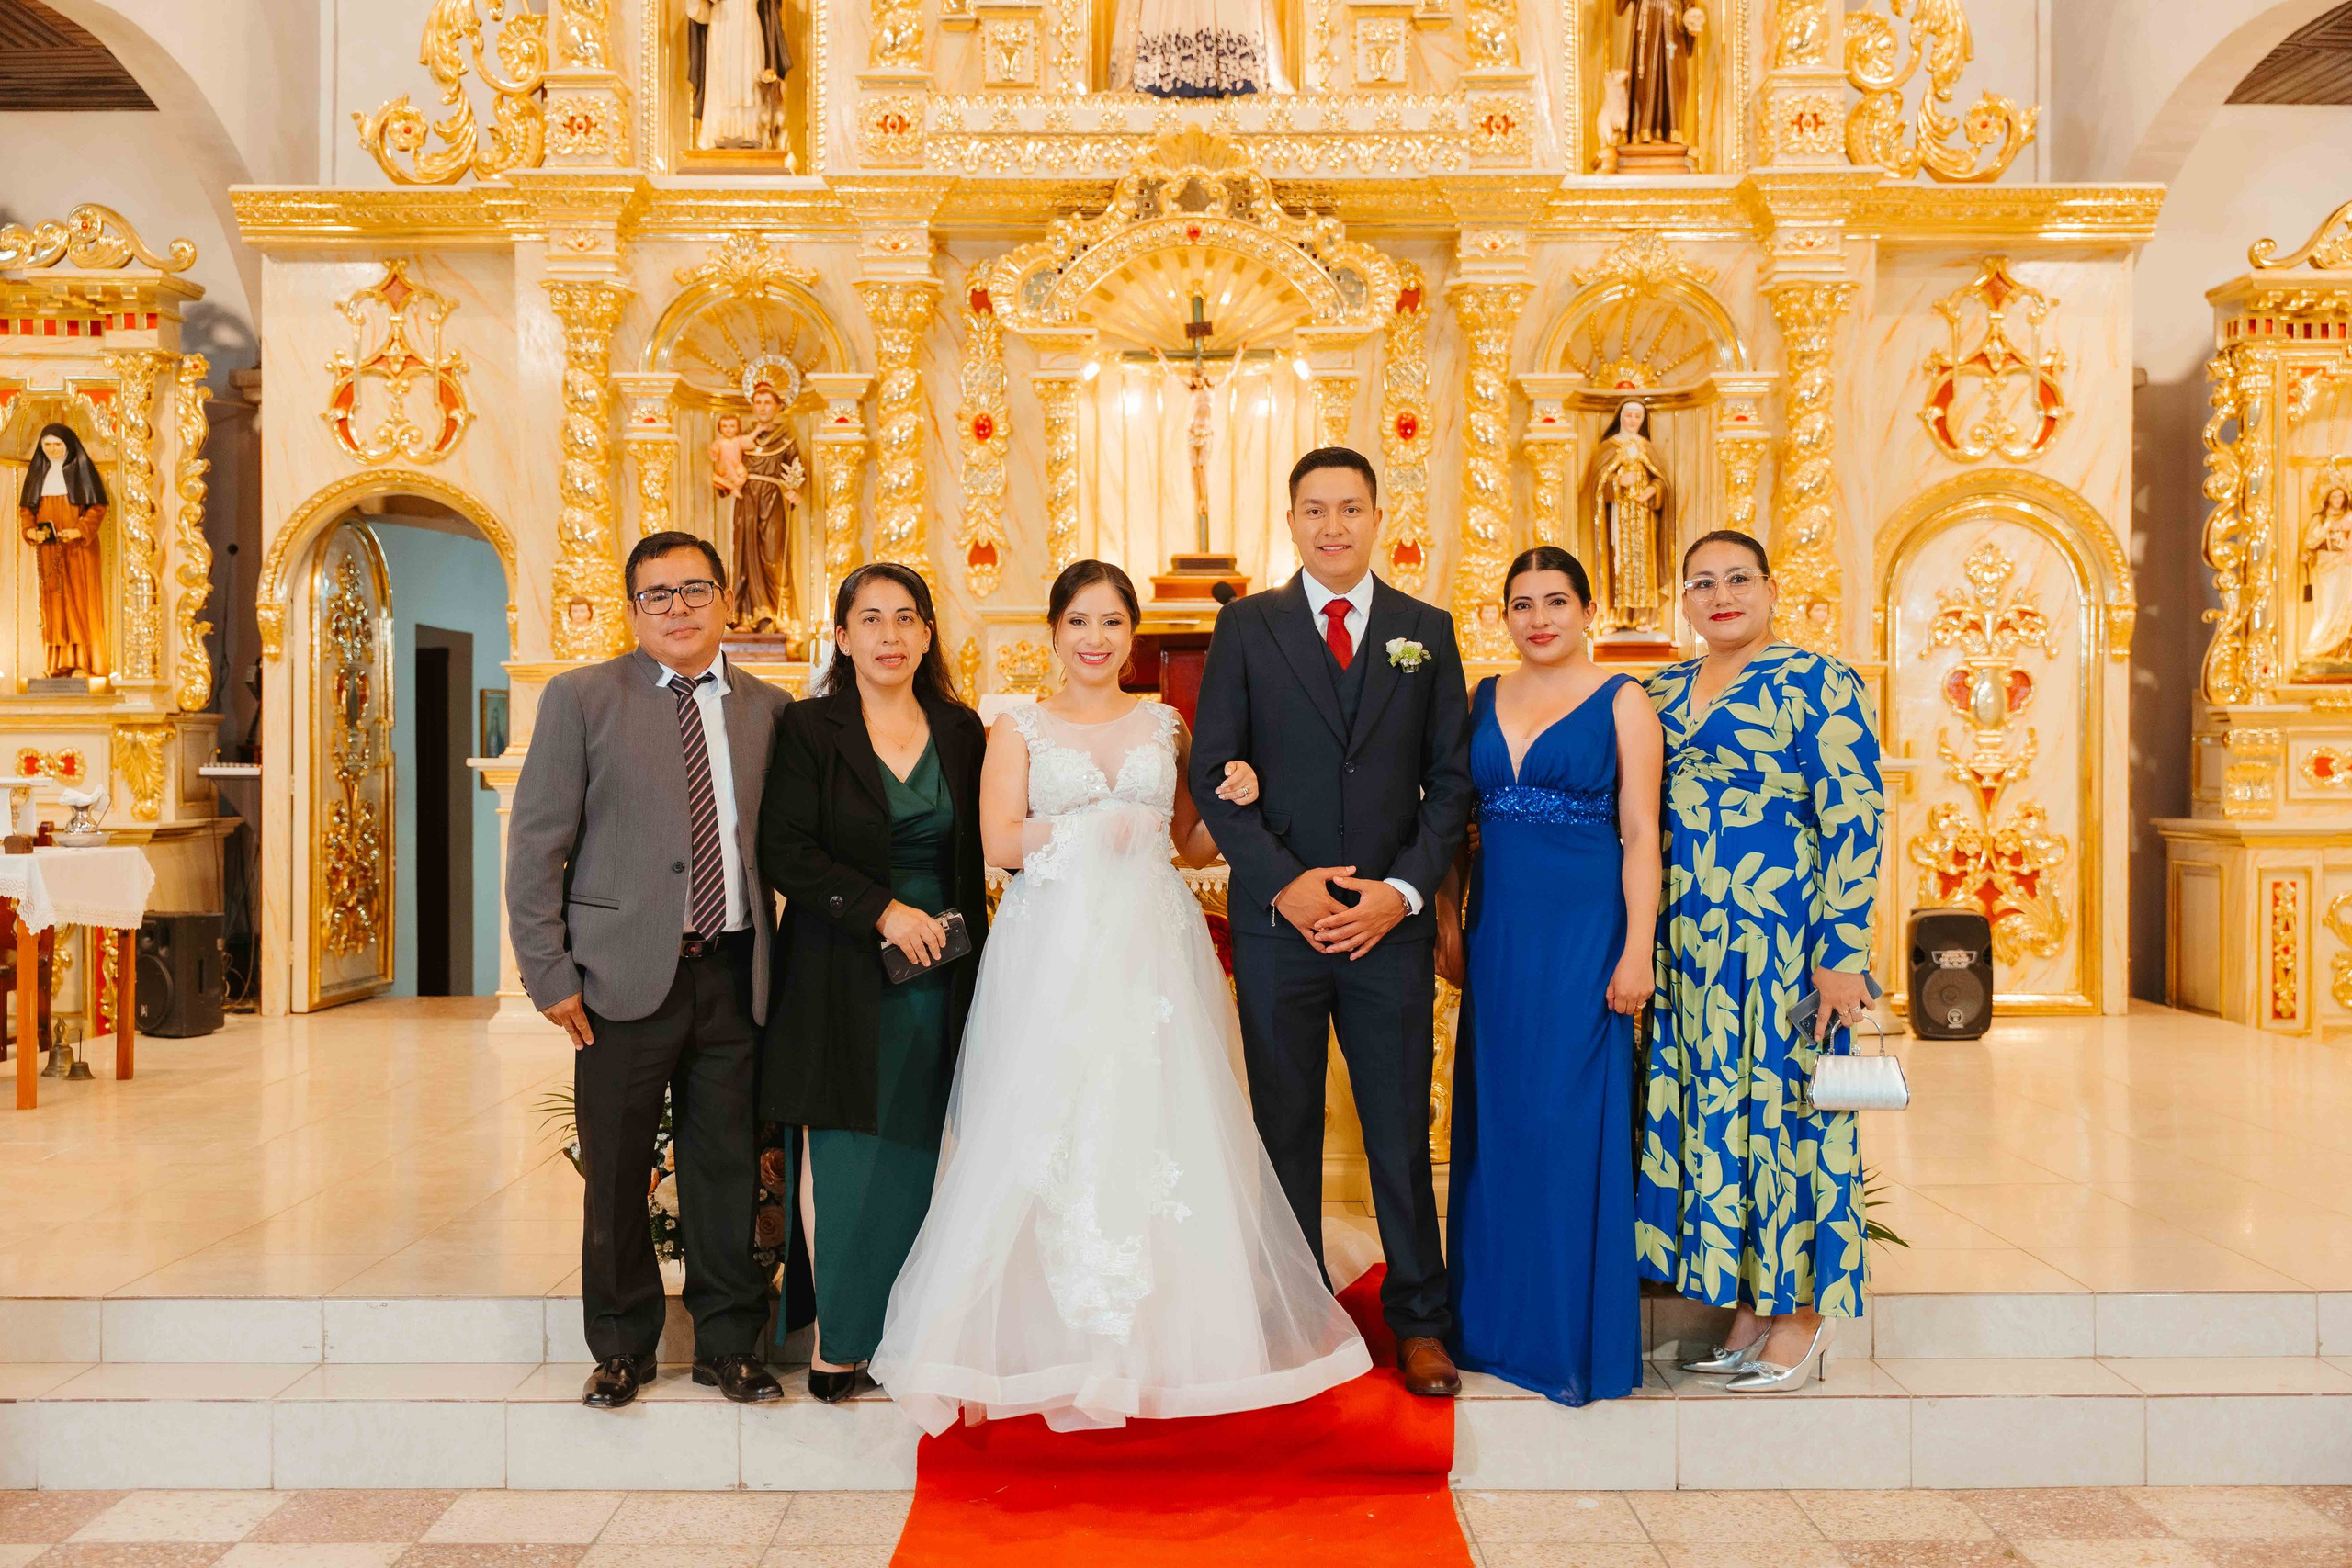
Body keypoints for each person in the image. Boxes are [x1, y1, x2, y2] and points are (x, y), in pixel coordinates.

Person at [872, 560, 1369, 1433]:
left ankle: (1162, 1340)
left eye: (1111, 623)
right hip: (1053, 951)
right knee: (1051, 1124)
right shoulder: (1017, 726)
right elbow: (1000, 839)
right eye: (1079, 623)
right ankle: (1047, 1336)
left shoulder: (1166, 724)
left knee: (1158, 1122)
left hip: (1152, 951)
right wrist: (1091, 827)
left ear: (1131, 635)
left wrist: (1241, 797)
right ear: (1054, 634)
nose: (1095, 640)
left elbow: (1191, 842)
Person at [1190, 446, 1475, 1399]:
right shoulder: (1247, 626)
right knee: (1283, 1126)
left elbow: (1449, 783)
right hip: (1282, 929)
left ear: (1376, 516)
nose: (1332, 526)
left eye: (1349, 508)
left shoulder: (1422, 631)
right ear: (1291, 520)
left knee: (1400, 1127)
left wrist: (1398, 894)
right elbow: (1214, 774)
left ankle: (1421, 1325)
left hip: (1386, 929)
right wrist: (1284, 883)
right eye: (1314, 510)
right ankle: (1291, 1317)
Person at [506, 530, 791, 1410]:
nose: (678, 608)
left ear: (722, 601)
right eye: (658, 594)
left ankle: (728, 1344)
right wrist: (548, 971)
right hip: (619, 977)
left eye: (694, 590)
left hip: (735, 970)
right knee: (620, 1168)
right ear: (634, 610)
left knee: (727, 1167)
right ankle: (623, 1344)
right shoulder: (582, 698)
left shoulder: (768, 709)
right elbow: (535, 843)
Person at [1636, 529, 1884, 1393]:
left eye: (1738, 578)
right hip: (1694, 951)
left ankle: (1803, 1314)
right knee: (1722, 1123)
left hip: (1787, 942)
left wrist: (1842, 951)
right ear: (1684, 599)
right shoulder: (1663, 690)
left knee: (1789, 1121)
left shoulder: (1817, 681)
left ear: (1772, 589)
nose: (1720, 594)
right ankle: (1750, 1307)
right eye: (1701, 582)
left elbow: (1856, 814)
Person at [760, 563, 989, 1402]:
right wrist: (880, 909)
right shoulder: (810, 728)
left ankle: (903, 1341)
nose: (889, 636)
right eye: (871, 619)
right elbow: (784, 849)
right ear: (842, 634)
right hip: (842, 975)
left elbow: (999, 834)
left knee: (922, 1158)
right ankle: (839, 1348)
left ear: (929, 633)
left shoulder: (964, 731)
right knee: (851, 1159)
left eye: (906, 618)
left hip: (946, 974)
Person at [1439, 546, 1660, 1406]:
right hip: (1500, 934)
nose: (1539, 618)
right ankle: (1493, 1327)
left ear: (1587, 609)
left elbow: (1642, 835)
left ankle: (1569, 1335)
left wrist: (1635, 947)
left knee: (1568, 1121)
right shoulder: (1482, 696)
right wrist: (1451, 920)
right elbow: (1455, 823)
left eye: (1556, 601)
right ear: (1504, 614)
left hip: (1585, 932)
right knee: (1499, 1118)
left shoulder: (1623, 700)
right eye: (1522, 603)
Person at [17, 423, 108, 678]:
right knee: (54, 606)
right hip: (49, 550)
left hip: (79, 549)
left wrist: (80, 530)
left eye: (58, 444)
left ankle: (84, 664)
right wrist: (30, 531)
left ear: (68, 446)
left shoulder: (81, 471)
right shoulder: (38, 474)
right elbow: (27, 510)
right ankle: (57, 665)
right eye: (47, 445)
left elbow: (97, 507)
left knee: (80, 603)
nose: (53, 450)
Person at [2300, 483, 2352, 664]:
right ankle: (2316, 647)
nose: (2338, 501)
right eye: (2335, 497)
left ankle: (2337, 651)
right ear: (2328, 499)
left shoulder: (2349, 517)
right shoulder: (2320, 519)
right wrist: (2327, 528)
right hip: (2324, 566)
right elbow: (2311, 542)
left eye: (2341, 497)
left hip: (2344, 566)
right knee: (2326, 609)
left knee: (2345, 607)